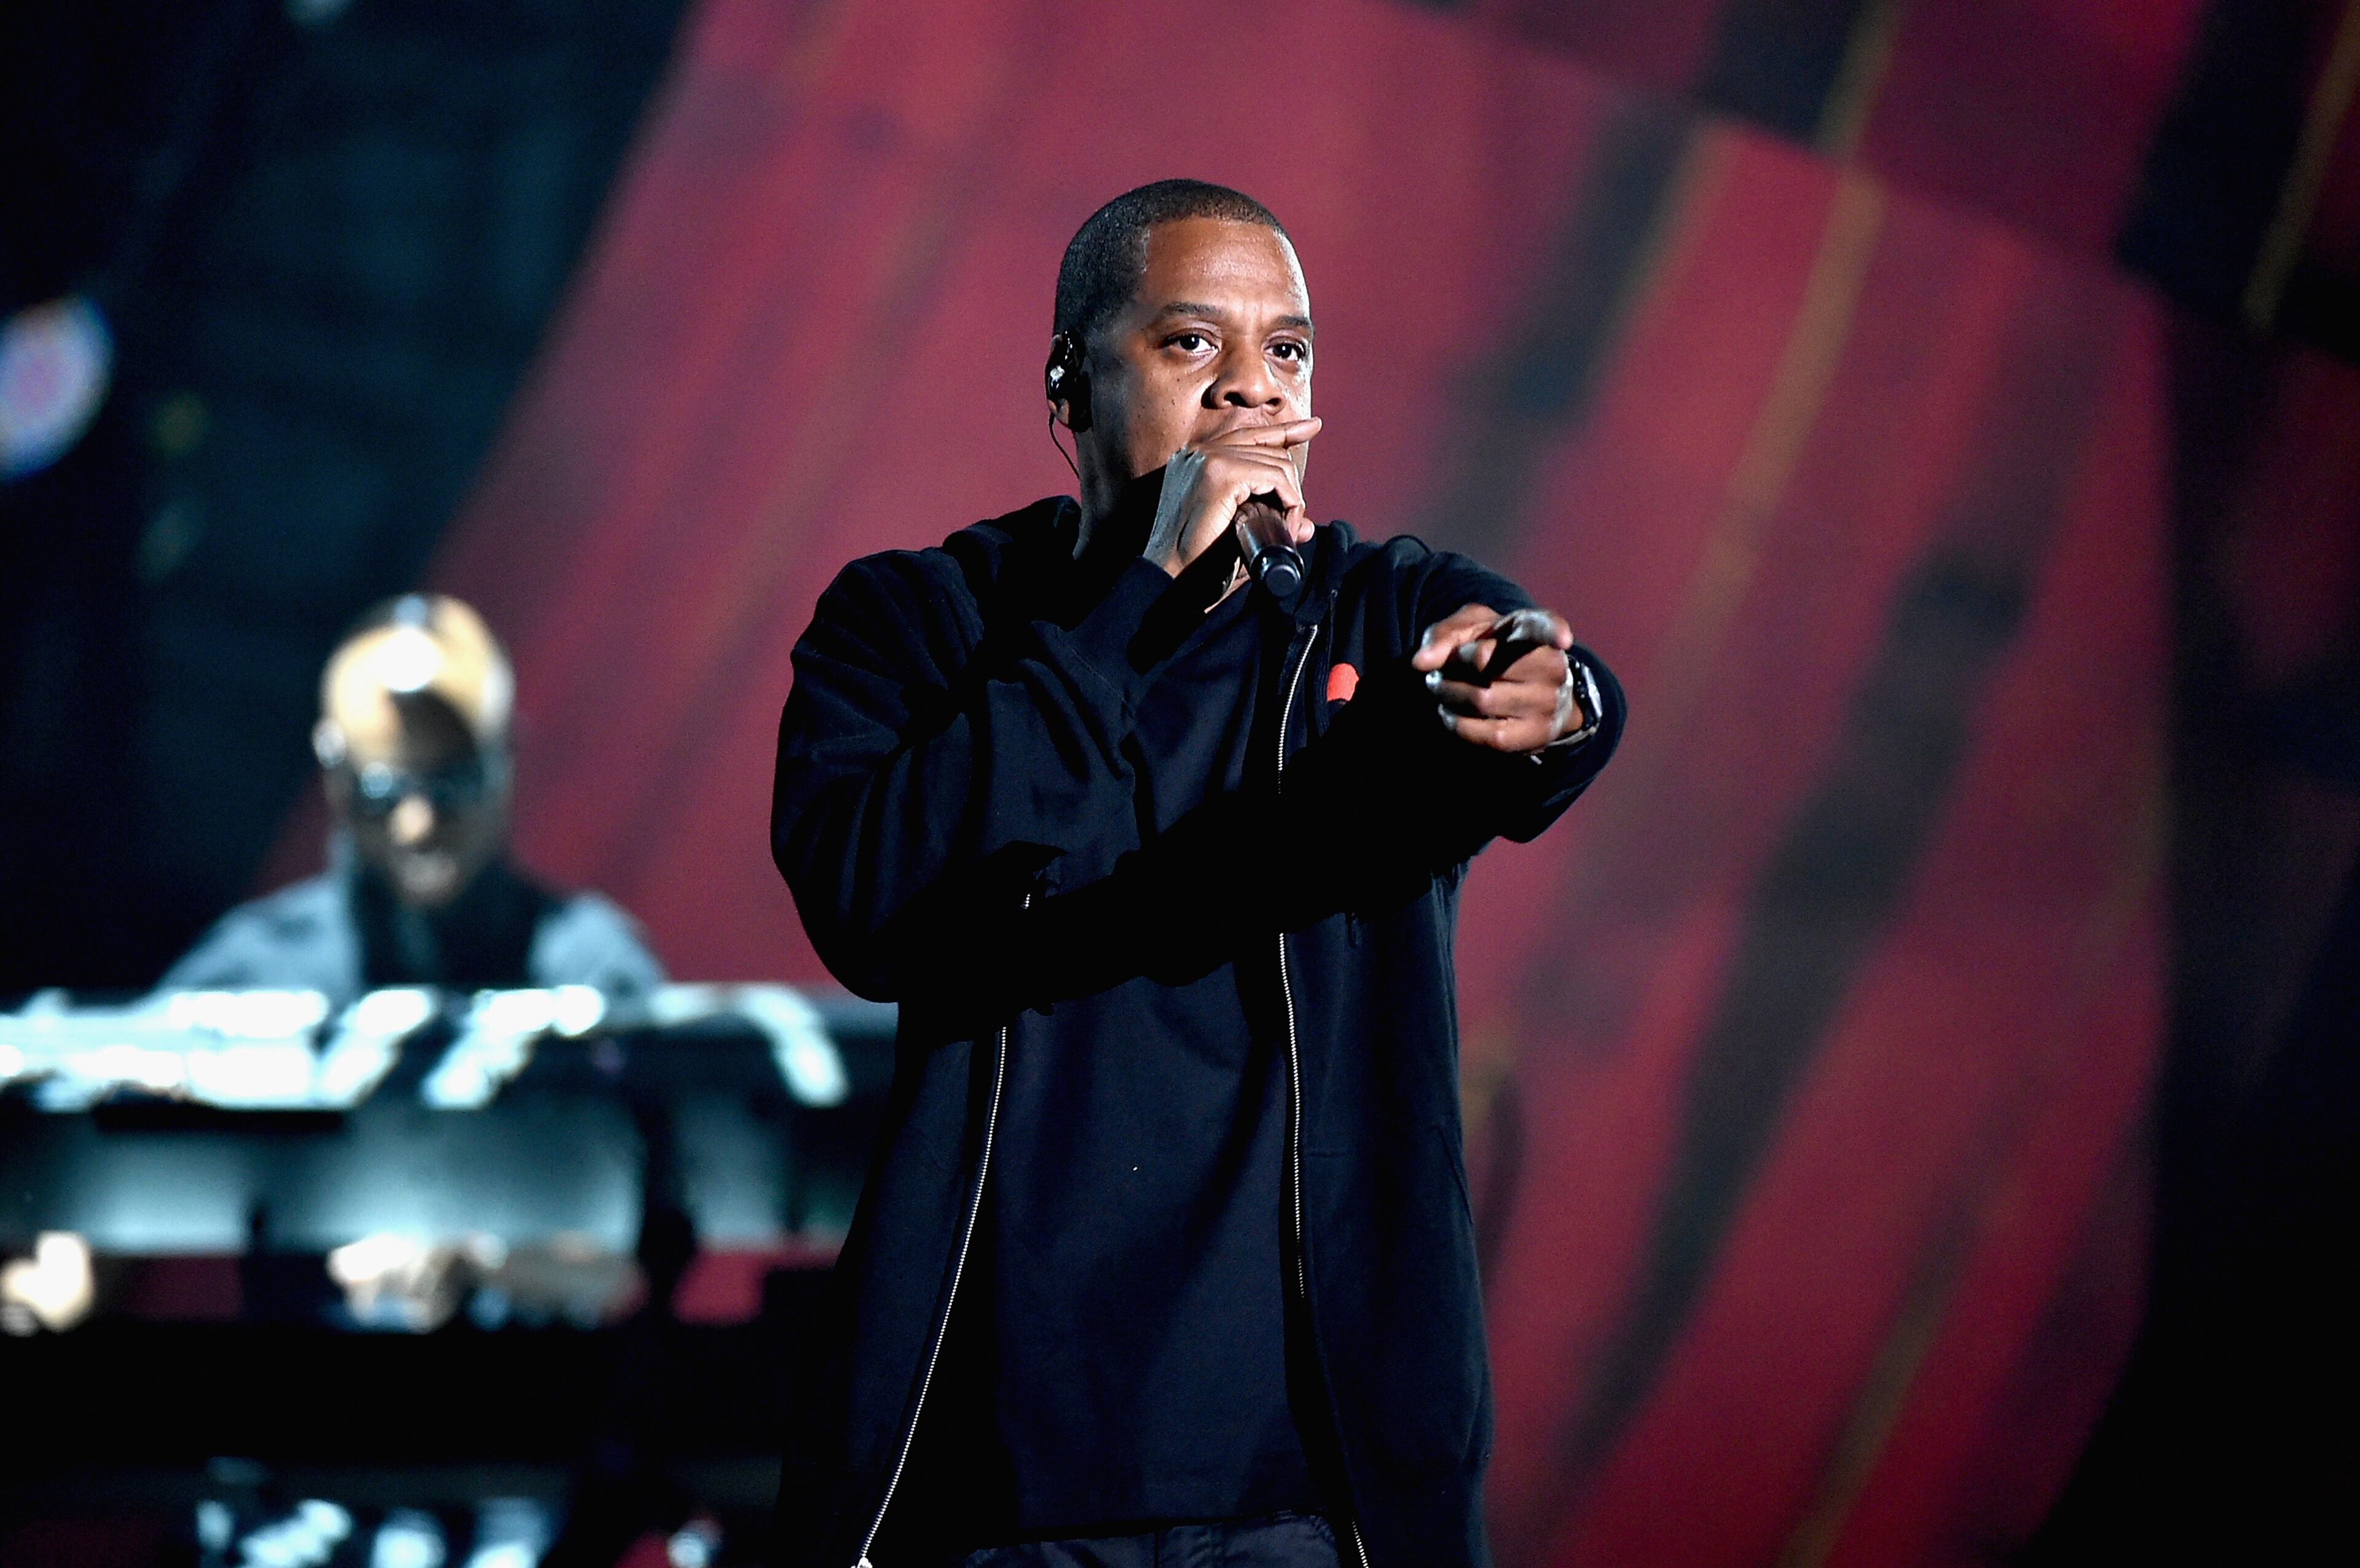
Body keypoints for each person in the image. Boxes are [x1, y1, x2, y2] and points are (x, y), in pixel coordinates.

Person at [769, 180, 1623, 1568]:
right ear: (1068, 376)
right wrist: (1139, 589)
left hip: (1299, 1500)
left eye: (1284, 351)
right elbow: (867, 902)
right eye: (1189, 346)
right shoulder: (918, 625)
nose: (1249, 393)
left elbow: (1542, 698)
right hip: (997, 1495)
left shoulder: (1369, 614)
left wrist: (1551, 693)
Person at [163, 593, 663, 1003]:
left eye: (451, 784)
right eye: (383, 791)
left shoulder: (595, 977)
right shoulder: (251, 979)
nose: (417, 823)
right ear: (337, 781)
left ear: (506, 762)